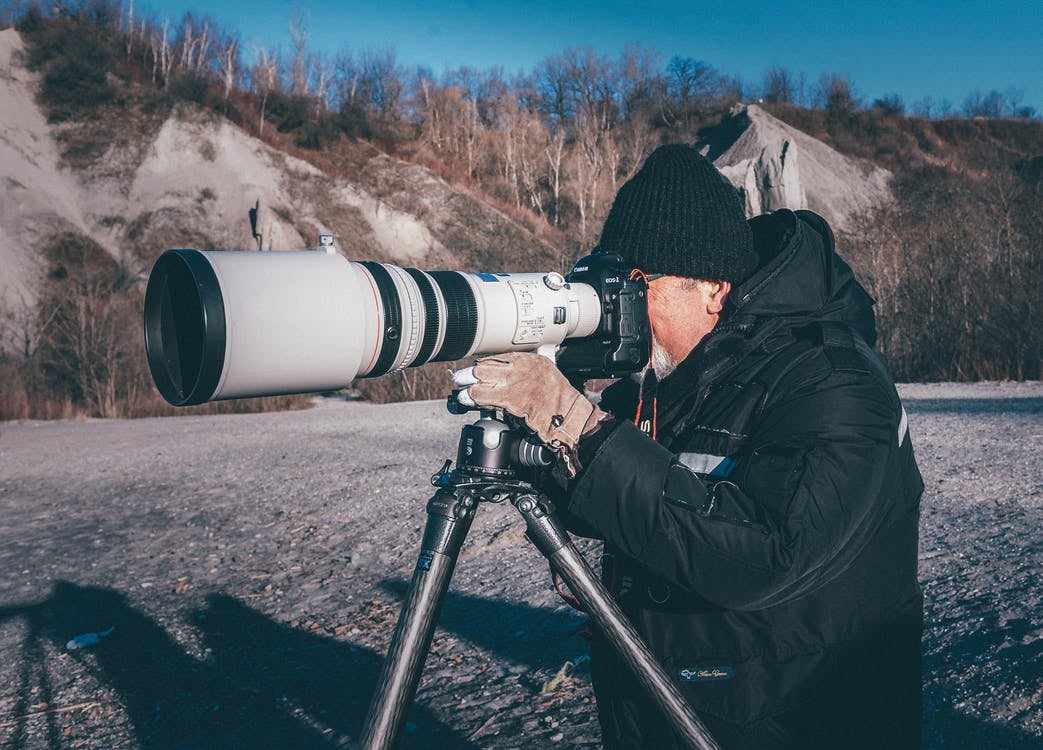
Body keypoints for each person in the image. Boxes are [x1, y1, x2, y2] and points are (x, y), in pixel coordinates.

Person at [466, 144, 924, 749]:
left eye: (636, 283)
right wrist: (546, 448)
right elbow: (638, 495)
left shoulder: (834, 381)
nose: (615, 305)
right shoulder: (666, 382)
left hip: (795, 715)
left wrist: (576, 424)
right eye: (610, 283)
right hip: (670, 697)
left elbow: (764, 554)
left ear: (711, 287)